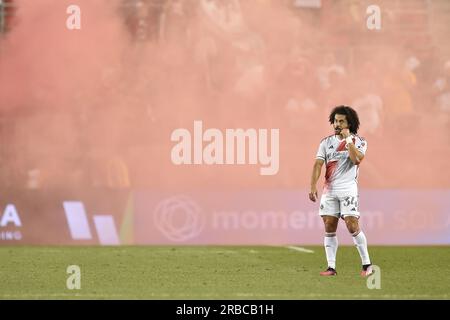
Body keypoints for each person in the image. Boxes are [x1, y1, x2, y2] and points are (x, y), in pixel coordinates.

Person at [309, 105, 373, 277]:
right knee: (329, 226)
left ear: (349, 123)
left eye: (341, 121)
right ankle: (331, 267)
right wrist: (312, 185)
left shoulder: (360, 141)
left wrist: (348, 141)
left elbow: (356, 159)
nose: (337, 124)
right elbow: (318, 165)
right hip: (329, 191)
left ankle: (367, 265)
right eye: (335, 121)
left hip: (348, 190)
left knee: (352, 225)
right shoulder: (326, 142)